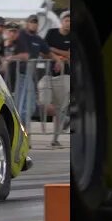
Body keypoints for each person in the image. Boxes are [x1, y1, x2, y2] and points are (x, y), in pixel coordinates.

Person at [40, 10, 72, 147]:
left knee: (61, 107)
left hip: (65, 75)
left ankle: (55, 139)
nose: (69, 23)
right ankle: (67, 119)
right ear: (61, 21)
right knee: (44, 103)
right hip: (48, 73)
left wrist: (54, 51)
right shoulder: (52, 33)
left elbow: (70, 54)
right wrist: (60, 58)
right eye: (67, 20)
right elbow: (43, 51)